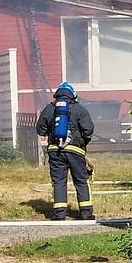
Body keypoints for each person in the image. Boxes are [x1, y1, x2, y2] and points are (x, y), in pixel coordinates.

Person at [36, 82, 95, 220]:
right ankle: (86, 213)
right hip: (75, 151)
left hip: (55, 150)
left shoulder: (50, 109)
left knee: (59, 181)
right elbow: (89, 130)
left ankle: (59, 214)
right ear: (73, 96)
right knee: (81, 181)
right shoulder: (79, 109)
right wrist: (84, 142)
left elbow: (40, 130)